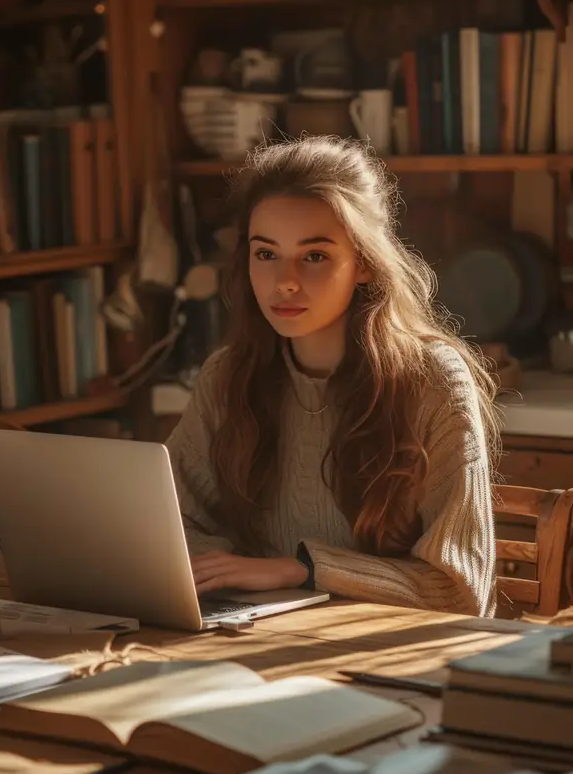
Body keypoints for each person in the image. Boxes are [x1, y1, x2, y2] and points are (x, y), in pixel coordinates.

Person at [167, 136, 498, 616]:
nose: (285, 280)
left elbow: (462, 590)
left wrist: (303, 569)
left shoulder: (432, 382)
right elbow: (172, 524)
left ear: (363, 263)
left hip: (386, 658)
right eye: (266, 254)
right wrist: (228, 566)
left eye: (315, 255)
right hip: (257, 640)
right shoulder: (228, 376)